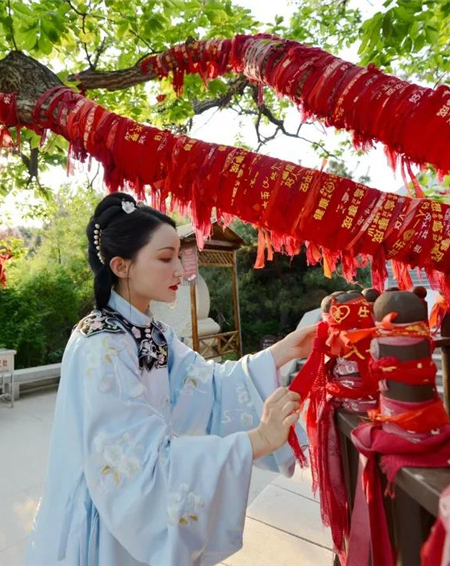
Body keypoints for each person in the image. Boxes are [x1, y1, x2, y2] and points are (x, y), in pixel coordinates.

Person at [25, 193, 316, 566]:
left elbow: (208, 386)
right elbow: (135, 465)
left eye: (178, 256)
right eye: (166, 258)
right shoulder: (101, 345)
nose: (180, 269)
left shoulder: (153, 332)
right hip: (111, 513)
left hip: (125, 503)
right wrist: (256, 440)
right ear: (121, 265)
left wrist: (286, 350)